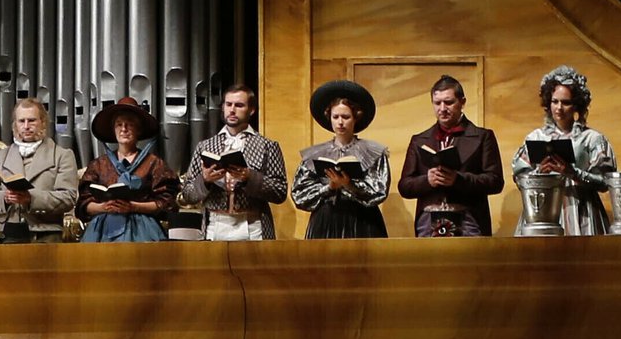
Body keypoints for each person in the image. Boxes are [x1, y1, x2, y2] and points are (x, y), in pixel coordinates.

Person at [396, 74, 505, 237]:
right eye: (437, 103)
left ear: (462, 102)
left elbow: (495, 182)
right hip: (428, 221)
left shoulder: (483, 136)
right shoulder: (419, 140)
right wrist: (427, 180)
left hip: (469, 220)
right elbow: (404, 186)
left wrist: (458, 179)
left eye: (448, 102)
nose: (442, 108)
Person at [510, 66, 616, 233]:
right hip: (542, 211)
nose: (559, 108)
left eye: (566, 102)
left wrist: (573, 173)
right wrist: (539, 173)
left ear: (576, 106)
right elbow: (519, 178)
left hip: (582, 213)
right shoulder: (535, 137)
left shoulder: (591, 138)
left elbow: (605, 181)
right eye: (555, 101)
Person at [179, 83, 288, 240]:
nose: (232, 110)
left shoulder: (267, 146)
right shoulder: (205, 146)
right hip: (215, 224)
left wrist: (250, 177)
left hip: (252, 224)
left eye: (239, 105)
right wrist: (205, 181)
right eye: (228, 104)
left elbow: (280, 191)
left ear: (251, 110)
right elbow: (187, 194)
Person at [293, 79, 391, 238]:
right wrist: (329, 187)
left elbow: (379, 190)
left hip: (362, 220)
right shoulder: (315, 153)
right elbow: (300, 194)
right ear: (329, 117)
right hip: (326, 220)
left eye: (345, 117)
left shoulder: (373, 152)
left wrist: (349, 185)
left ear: (355, 117)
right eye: (335, 116)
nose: (340, 122)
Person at [76, 98, 175, 243]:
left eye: (130, 124)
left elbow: (167, 203)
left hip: (143, 231)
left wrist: (133, 207)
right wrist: (103, 207)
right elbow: (83, 204)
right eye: (119, 124)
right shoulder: (98, 164)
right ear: (113, 129)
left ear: (139, 129)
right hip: (102, 233)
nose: (124, 129)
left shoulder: (154, 163)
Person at [0, 94, 82, 244]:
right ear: (15, 124)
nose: (26, 126)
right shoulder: (0, 156)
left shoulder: (62, 155)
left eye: (31, 120)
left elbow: (68, 197)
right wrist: (5, 198)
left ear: (43, 122)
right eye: (21, 121)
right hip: (8, 233)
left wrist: (31, 199)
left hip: (46, 234)